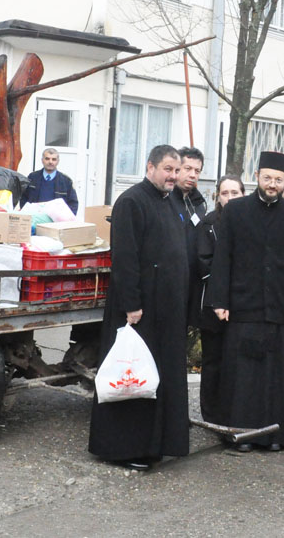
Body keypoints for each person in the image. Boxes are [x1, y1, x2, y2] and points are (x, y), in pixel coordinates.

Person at [88, 145, 190, 470]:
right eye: (168, 169)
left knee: (157, 378)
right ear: (150, 167)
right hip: (139, 310)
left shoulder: (171, 201)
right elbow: (126, 258)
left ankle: (160, 443)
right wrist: (132, 304)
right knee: (133, 379)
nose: (173, 176)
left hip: (167, 310)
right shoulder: (131, 201)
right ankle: (127, 449)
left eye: (177, 170)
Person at [208, 151, 284, 450]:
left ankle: (276, 436)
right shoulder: (236, 210)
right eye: (267, 178)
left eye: (278, 180)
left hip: (281, 305)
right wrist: (219, 300)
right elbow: (223, 257)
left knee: (277, 376)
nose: (273, 184)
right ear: (256, 177)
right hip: (244, 304)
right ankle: (240, 434)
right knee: (243, 377)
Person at [193, 174, 244, 425]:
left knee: (236, 362)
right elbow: (204, 262)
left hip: (243, 306)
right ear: (218, 197)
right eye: (225, 193)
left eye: (235, 193)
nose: (230, 198)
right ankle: (210, 413)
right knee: (213, 360)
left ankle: (232, 410)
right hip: (213, 303)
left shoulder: (249, 222)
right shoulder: (208, 224)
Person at [173, 147, 209, 329]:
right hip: (173, 281)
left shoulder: (199, 203)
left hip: (193, 281)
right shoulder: (167, 200)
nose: (192, 175)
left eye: (197, 171)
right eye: (188, 169)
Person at [24, 147, 79, 215]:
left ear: (58, 161)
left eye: (54, 159)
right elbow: (23, 198)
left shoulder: (66, 181)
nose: (50, 162)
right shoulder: (32, 177)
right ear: (42, 160)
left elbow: (73, 203)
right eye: (47, 159)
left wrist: (65, 220)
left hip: (56, 222)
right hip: (35, 219)